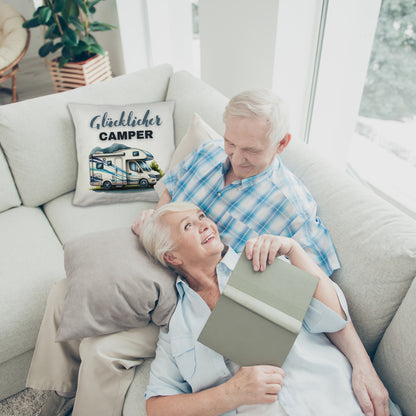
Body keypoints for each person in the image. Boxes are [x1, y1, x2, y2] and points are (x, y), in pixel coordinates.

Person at [133, 89, 389, 414]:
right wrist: (158, 225)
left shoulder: (288, 217)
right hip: (170, 289)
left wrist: (363, 366)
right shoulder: (209, 154)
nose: (236, 158)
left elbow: (322, 301)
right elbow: (171, 188)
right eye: (231, 143)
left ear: (281, 144)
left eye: (250, 150)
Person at [140, 202, 398, 416]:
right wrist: (231, 393)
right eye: (188, 226)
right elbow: (157, 407)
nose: (205, 224)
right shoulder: (177, 326)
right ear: (172, 257)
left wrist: (294, 250)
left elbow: (333, 318)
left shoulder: (262, 261)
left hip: (338, 401)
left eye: (201, 216)